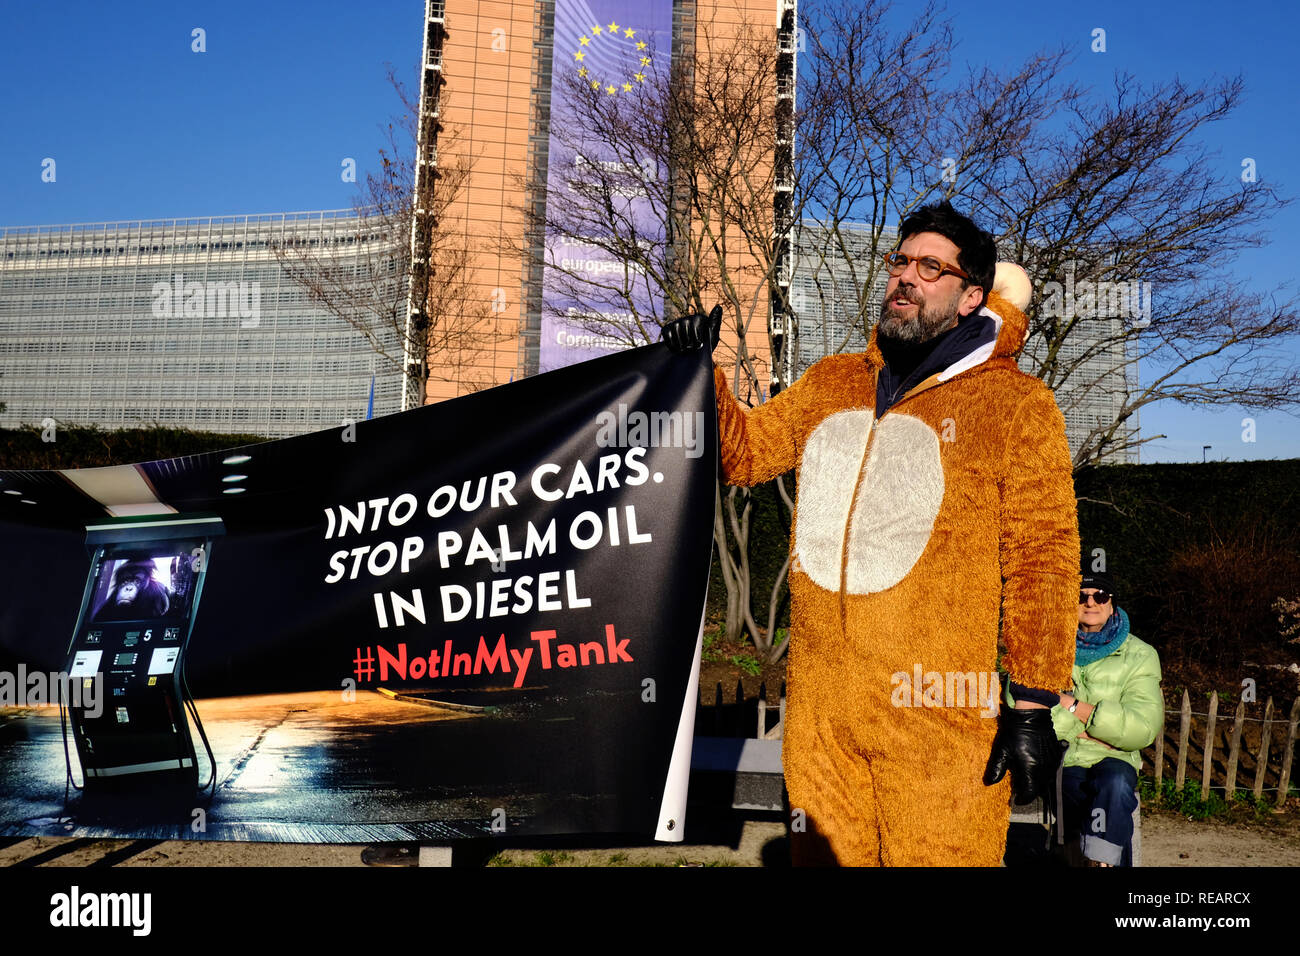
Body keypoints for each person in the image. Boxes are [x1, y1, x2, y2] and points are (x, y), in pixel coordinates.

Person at [664, 201, 1079, 865]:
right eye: (900, 261)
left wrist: (1031, 703)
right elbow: (744, 455)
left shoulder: (1016, 404)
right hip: (823, 719)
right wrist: (695, 375)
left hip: (940, 718)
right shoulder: (833, 382)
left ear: (973, 296)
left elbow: (1044, 561)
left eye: (930, 268)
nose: (906, 277)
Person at [1054, 570, 1162, 866]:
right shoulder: (1050, 648)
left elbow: (1142, 728)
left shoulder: (1141, 655)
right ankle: (1103, 862)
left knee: (1114, 784)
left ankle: (1100, 863)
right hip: (1067, 757)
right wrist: (1100, 730)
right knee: (1088, 797)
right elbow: (1031, 707)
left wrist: (1073, 706)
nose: (1091, 603)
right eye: (1082, 596)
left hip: (1117, 760)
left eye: (1100, 595)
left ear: (1112, 603)